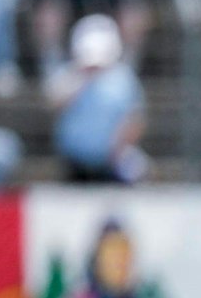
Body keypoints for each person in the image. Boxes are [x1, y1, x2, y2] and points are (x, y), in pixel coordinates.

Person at [54, 14, 147, 183]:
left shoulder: (123, 78)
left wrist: (117, 149)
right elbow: (57, 103)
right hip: (74, 162)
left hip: (112, 161)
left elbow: (135, 120)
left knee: (135, 167)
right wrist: (82, 77)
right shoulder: (69, 75)